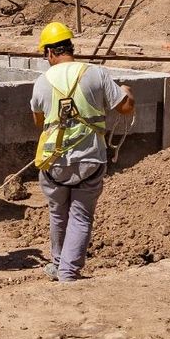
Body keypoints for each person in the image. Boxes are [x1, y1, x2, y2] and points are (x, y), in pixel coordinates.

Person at [30, 21, 134, 283]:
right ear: (70, 48)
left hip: (54, 163)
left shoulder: (42, 82)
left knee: (57, 213)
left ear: (50, 52)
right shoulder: (96, 74)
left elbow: (39, 122)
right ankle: (68, 271)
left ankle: (57, 264)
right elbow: (125, 108)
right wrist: (127, 92)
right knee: (81, 216)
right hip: (89, 159)